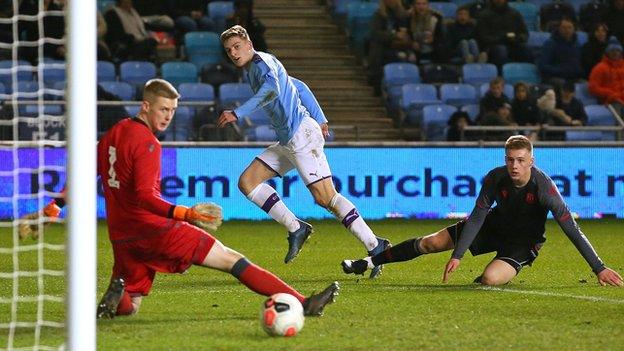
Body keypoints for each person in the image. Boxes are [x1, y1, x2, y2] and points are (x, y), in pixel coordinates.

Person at [95, 79, 339, 319]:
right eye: (163, 109)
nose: (168, 116)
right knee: (231, 259)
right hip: (153, 230)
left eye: (172, 110)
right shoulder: (148, 143)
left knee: (133, 302)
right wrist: (186, 214)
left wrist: (59, 203)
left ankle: (117, 296)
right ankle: (304, 303)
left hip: (122, 234)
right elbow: (145, 197)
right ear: (145, 106)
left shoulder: (114, 133)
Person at [216, 25, 391, 279]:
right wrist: (319, 116)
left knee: (326, 198)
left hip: (301, 136)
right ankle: (296, 227)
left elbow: (273, 90)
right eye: (229, 49)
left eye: (237, 46)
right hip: (289, 140)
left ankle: (376, 245)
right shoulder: (258, 67)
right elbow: (297, 85)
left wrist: (238, 112)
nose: (233, 53)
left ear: (249, 42)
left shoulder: (261, 63)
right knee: (248, 182)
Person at [342, 135, 624, 287]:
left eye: (521, 160)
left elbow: (571, 229)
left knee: (489, 279)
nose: (515, 165)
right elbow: (477, 216)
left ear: (531, 161)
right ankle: (368, 262)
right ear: (505, 159)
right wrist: (457, 254)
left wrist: (598, 268)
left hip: (523, 243)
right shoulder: (494, 177)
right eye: (510, 159)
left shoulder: (545, 188)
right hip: (492, 226)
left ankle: (497, 272)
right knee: (429, 243)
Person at [537, 18, 584, 87]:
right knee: (565, 86)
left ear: (574, 29)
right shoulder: (550, 43)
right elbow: (542, 66)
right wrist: (560, 70)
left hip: (574, 77)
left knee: (586, 85)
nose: (567, 30)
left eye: (569, 27)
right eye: (564, 28)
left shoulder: (577, 44)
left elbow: (580, 63)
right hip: (555, 77)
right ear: (559, 29)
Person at [588, 37, 624, 116]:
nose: (615, 53)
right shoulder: (599, 68)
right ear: (607, 52)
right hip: (609, 100)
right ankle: (618, 127)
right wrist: (610, 94)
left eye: (618, 50)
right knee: (617, 104)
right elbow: (593, 88)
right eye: (612, 50)